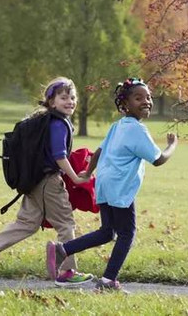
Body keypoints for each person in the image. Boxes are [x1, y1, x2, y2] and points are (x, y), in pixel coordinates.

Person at [46, 77, 178, 292]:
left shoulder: (118, 126)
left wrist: (88, 173)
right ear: (125, 104)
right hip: (119, 188)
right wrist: (172, 145)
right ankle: (108, 281)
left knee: (108, 232)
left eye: (148, 97)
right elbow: (158, 160)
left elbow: (98, 151)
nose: (146, 102)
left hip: (105, 185)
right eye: (138, 98)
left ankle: (62, 250)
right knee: (127, 234)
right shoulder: (137, 129)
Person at [0, 76, 94, 287]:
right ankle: (67, 271)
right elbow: (60, 156)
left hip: (35, 181)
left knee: (28, 223)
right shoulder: (58, 124)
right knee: (66, 224)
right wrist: (76, 177)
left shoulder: (48, 121)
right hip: (49, 182)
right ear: (52, 101)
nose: (70, 101)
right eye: (64, 97)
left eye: (73, 97)